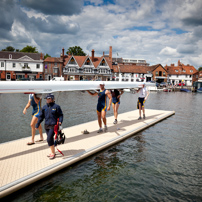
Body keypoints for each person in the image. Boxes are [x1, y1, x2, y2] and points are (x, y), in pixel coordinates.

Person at [35, 93, 63, 160]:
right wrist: (37, 124)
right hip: (46, 126)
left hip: (54, 125)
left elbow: (61, 115)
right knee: (50, 139)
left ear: (52, 99)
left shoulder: (56, 107)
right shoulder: (44, 107)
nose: (47, 100)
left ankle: (53, 153)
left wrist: (60, 121)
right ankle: (53, 151)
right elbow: (41, 117)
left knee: (49, 139)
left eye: (49, 98)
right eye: (46, 99)